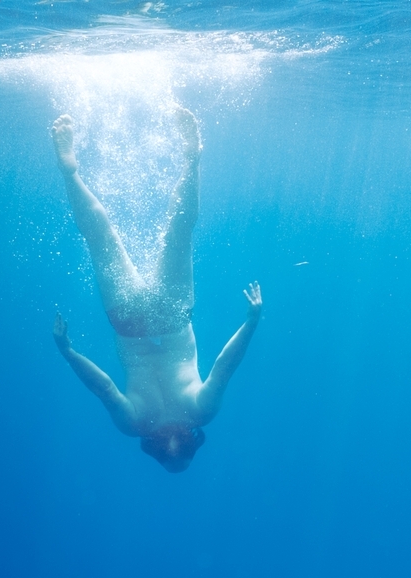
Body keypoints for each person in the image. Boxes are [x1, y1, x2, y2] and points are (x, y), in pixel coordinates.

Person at [51, 108, 262, 472]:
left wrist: (252, 322)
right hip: (135, 321)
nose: (175, 436)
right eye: (181, 443)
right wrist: (68, 352)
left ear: (164, 447)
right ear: (186, 444)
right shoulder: (138, 425)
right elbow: (102, 387)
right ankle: (72, 172)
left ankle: (191, 160)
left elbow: (226, 367)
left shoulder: (197, 413)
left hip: (168, 315)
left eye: (172, 444)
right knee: (103, 237)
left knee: (175, 232)